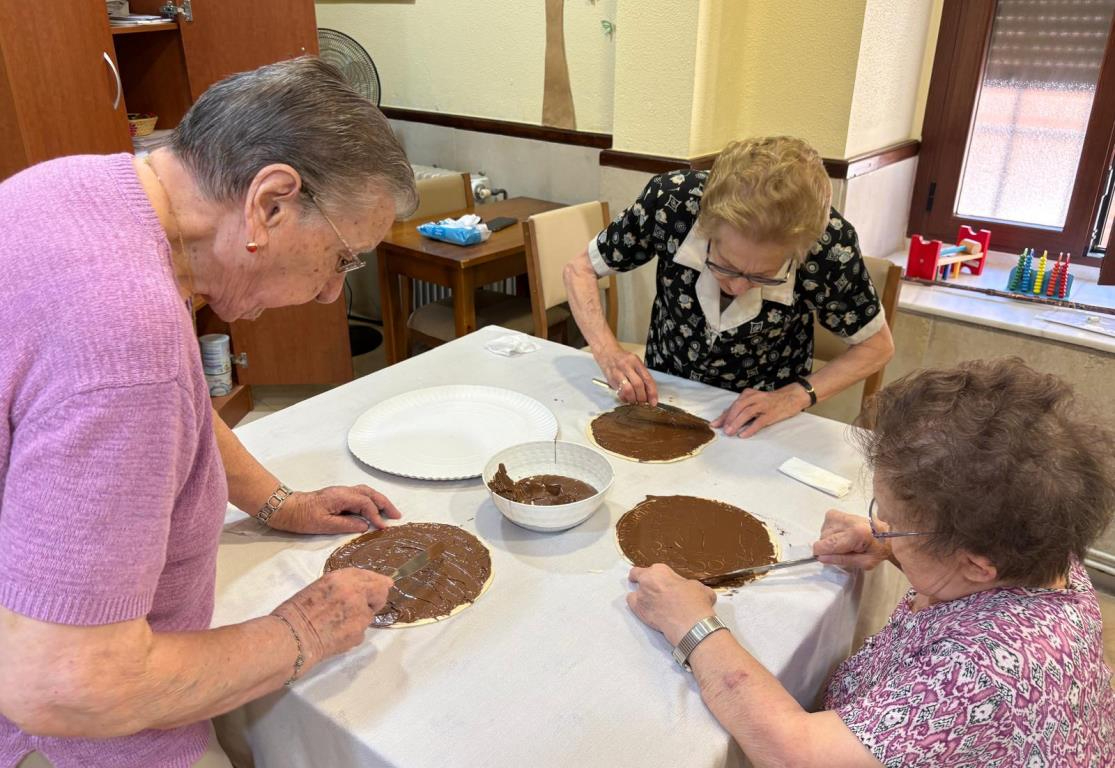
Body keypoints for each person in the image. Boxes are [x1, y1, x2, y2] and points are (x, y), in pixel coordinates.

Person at [0, 58, 418, 768]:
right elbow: (66, 686)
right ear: (271, 203)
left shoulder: (77, 186)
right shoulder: (128, 337)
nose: (328, 294)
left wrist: (280, 503)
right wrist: (304, 631)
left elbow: (166, 399)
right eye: (342, 258)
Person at [626, 358, 1114, 766]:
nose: (878, 525)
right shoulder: (1039, 543)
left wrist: (692, 626)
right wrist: (892, 546)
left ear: (977, 562)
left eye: (894, 520)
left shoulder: (986, 674)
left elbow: (796, 753)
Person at [564, 136, 894, 438]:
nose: (736, 287)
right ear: (705, 224)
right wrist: (608, 353)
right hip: (663, 392)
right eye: (725, 265)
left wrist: (795, 395)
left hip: (761, 416)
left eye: (762, 276)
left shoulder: (829, 248)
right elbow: (579, 270)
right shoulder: (672, 203)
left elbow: (877, 346)